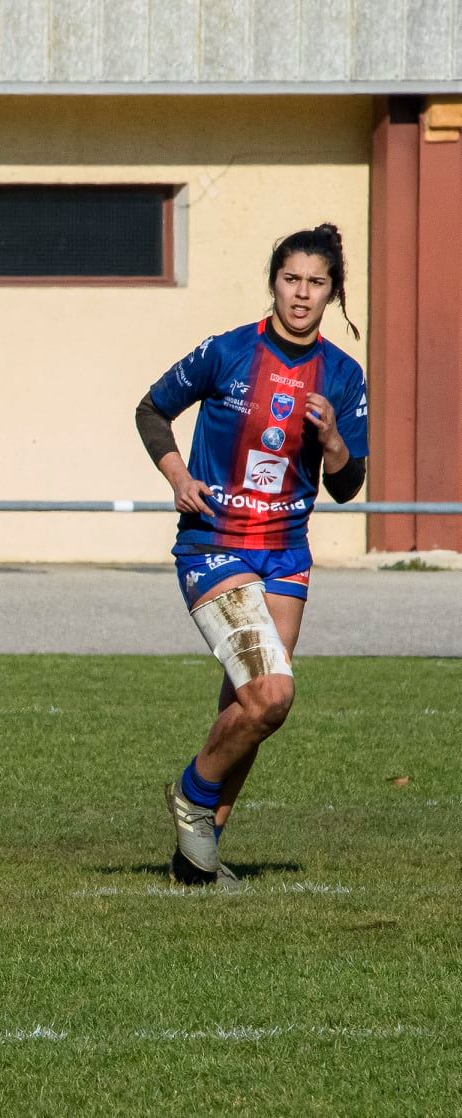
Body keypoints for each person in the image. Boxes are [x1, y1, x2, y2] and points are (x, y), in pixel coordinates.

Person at [135, 223, 368, 887]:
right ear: (273, 283)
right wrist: (178, 478)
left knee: (247, 707)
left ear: (331, 294)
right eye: (290, 279)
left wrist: (331, 443)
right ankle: (190, 794)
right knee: (270, 695)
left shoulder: (342, 376)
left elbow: (348, 487)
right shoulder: (228, 351)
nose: (300, 293)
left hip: (285, 553)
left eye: (314, 283)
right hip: (213, 544)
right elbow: (151, 410)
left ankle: (197, 857)